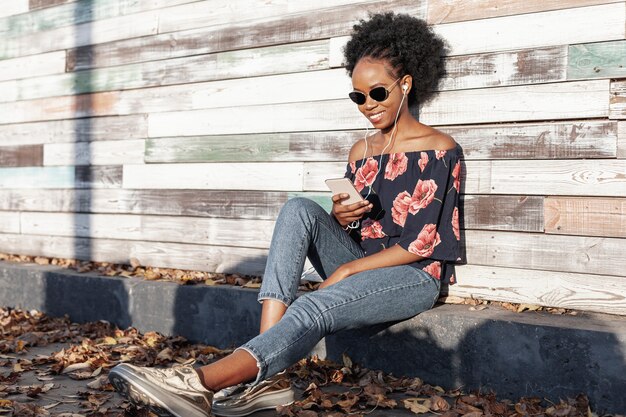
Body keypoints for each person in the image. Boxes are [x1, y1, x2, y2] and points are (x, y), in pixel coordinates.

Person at [108, 12, 460, 417]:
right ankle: (268, 381)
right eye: (358, 97)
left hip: (411, 276)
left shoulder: (439, 147)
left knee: (310, 307)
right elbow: (353, 225)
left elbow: (422, 244)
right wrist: (342, 217)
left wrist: (345, 272)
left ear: (406, 84)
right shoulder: (361, 152)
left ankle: (199, 383)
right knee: (298, 209)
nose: (368, 106)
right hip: (363, 263)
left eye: (377, 93)